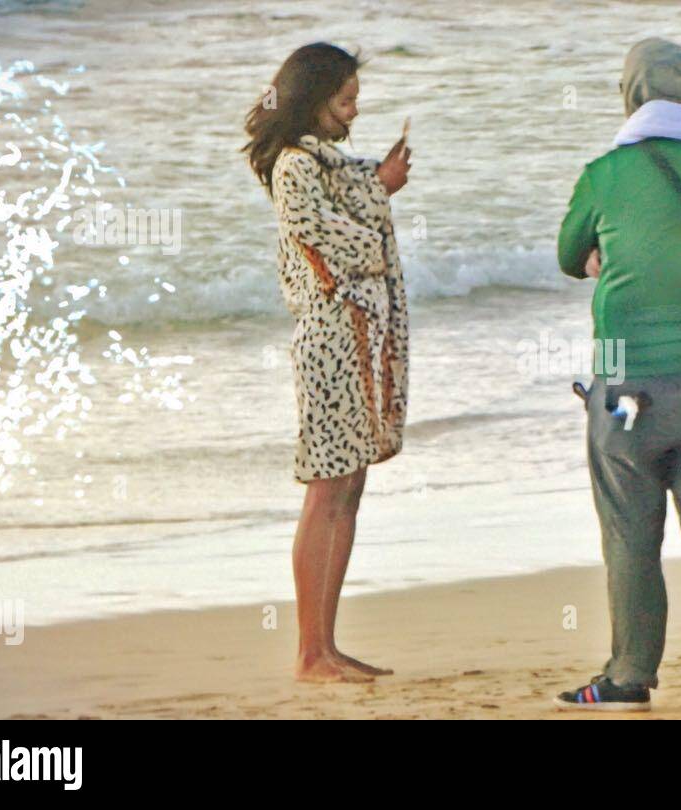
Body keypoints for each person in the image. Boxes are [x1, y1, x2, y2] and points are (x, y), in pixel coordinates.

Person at [553, 38, 681, 717]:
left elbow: (566, 253)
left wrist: (602, 258)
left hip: (628, 388)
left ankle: (629, 677)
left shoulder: (606, 172)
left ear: (631, 93)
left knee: (631, 534)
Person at [243, 42, 412, 683]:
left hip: (353, 341)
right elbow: (330, 237)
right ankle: (311, 652)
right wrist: (381, 194)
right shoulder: (293, 165)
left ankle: (327, 646)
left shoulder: (324, 162)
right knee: (327, 489)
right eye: (345, 100)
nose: (354, 111)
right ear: (315, 101)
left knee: (348, 487)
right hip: (328, 343)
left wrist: (376, 185)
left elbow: (345, 205)